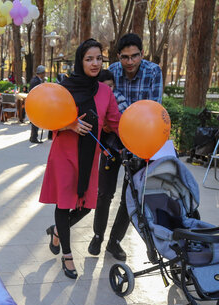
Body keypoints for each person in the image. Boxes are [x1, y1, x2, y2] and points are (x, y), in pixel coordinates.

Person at [39, 39, 121, 279]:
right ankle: (67, 255)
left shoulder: (105, 92)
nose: (95, 63)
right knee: (64, 204)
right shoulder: (64, 89)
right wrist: (70, 124)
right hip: (65, 153)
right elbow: (48, 119)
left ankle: (57, 230)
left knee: (86, 205)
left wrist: (134, 137)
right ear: (80, 61)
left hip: (89, 157)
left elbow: (115, 121)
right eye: (89, 59)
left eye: (98, 59)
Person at [87, 32, 163, 261]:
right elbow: (100, 101)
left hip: (140, 141)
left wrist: (125, 115)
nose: (130, 62)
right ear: (118, 56)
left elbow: (153, 109)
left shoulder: (153, 71)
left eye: (135, 56)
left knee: (130, 196)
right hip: (112, 140)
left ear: (142, 54)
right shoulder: (110, 73)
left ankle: (115, 241)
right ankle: (98, 236)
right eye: (125, 57)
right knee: (104, 192)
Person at [28, 65, 47, 144]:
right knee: (36, 121)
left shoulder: (34, 80)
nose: (45, 74)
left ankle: (33, 136)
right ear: (41, 73)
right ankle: (34, 137)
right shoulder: (36, 81)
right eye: (44, 73)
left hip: (34, 102)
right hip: (36, 103)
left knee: (35, 121)